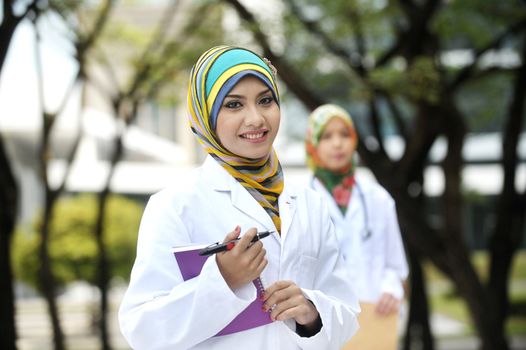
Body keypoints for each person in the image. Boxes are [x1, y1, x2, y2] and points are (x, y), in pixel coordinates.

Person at [118, 46, 360, 350]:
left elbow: (347, 311)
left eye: (265, 100)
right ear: (205, 114)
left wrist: (312, 312)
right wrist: (223, 280)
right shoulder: (174, 205)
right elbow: (142, 330)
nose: (256, 118)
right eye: (234, 105)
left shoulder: (309, 203)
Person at [305, 104, 409, 349]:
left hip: (375, 318)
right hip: (323, 324)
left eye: (344, 134)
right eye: (327, 136)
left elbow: (396, 265)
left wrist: (391, 288)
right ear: (312, 145)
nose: (338, 144)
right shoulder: (300, 201)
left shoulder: (377, 198)